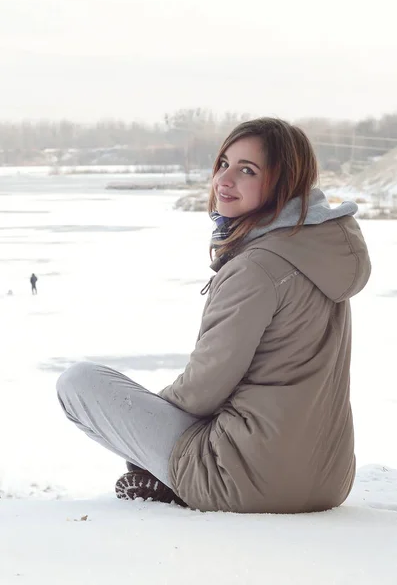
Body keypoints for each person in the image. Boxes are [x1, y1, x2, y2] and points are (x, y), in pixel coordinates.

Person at [56, 118, 371, 513]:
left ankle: (173, 478)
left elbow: (203, 390)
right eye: (223, 163)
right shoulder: (318, 251)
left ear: (284, 182)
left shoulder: (257, 267)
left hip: (245, 478)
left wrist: (145, 431)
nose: (224, 179)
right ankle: (168, 473)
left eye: (247, 170)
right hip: (329, 479)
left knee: (79, 382)